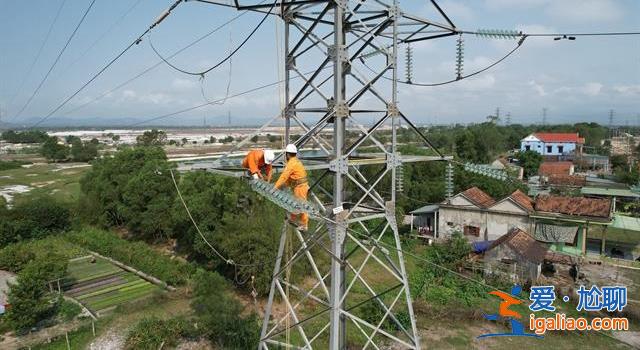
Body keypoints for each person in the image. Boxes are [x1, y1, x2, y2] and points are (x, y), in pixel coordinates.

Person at [275, 144, 309, 231]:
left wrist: (275, 187)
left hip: (300, 186)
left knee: (302, 205)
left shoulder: (291, 163)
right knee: (296, 204)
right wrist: (282, 186)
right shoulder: (296, 162)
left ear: (287, 154)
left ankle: (304, 225)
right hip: (300, 186)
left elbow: (284, 176)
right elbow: (290, 178)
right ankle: (293, 219)